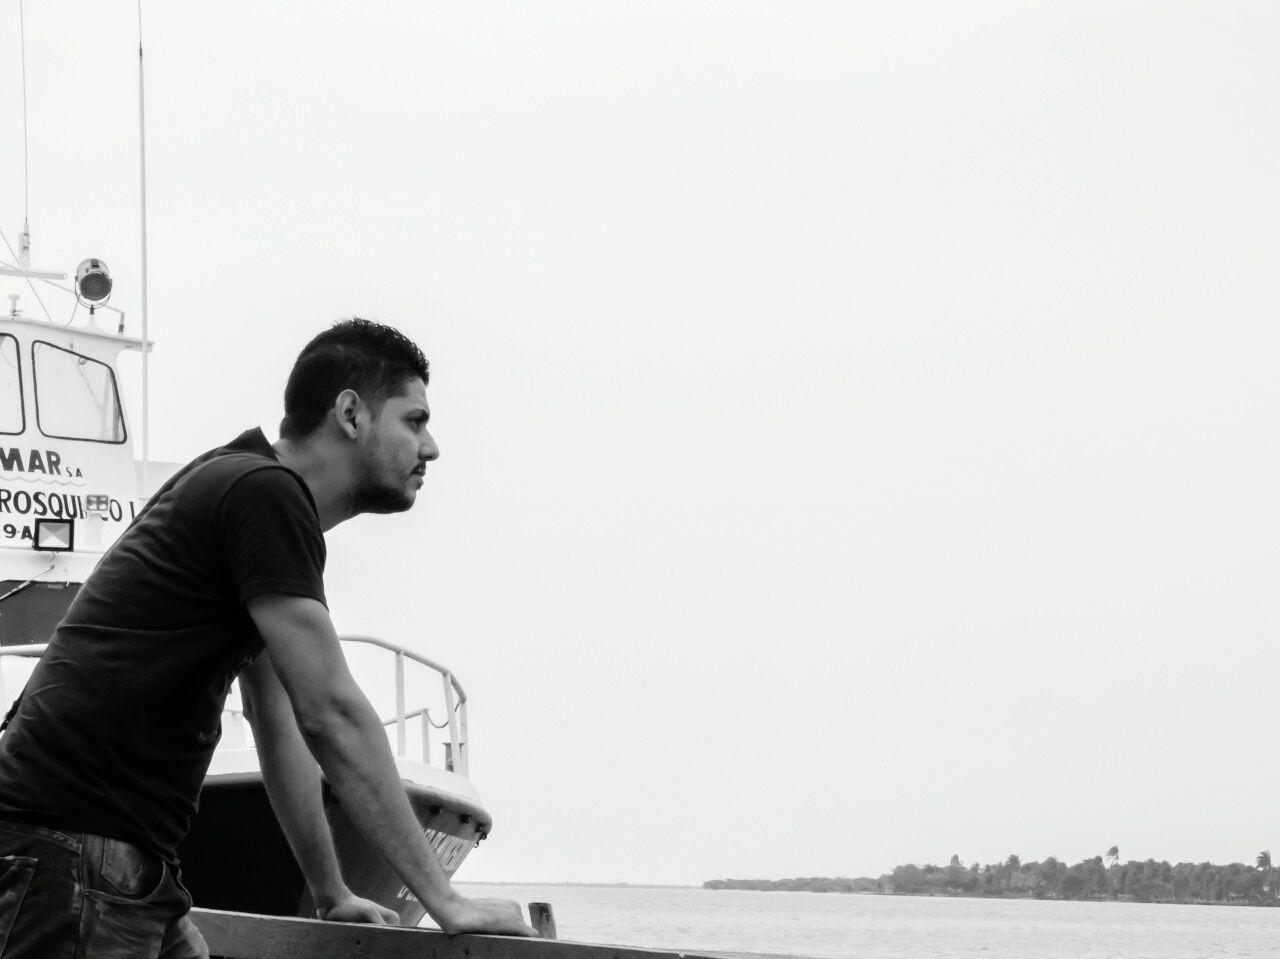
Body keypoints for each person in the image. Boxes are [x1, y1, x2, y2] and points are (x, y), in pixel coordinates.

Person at [0, 319, 536, 957]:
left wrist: (329, 888)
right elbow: (330, 710)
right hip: (76, 849)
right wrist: (442, 900)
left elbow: (275, 713)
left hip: (118, 859)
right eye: (415, 420)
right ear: (351, 414)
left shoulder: (240, 483)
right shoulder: (263, 493)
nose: (432, 447)